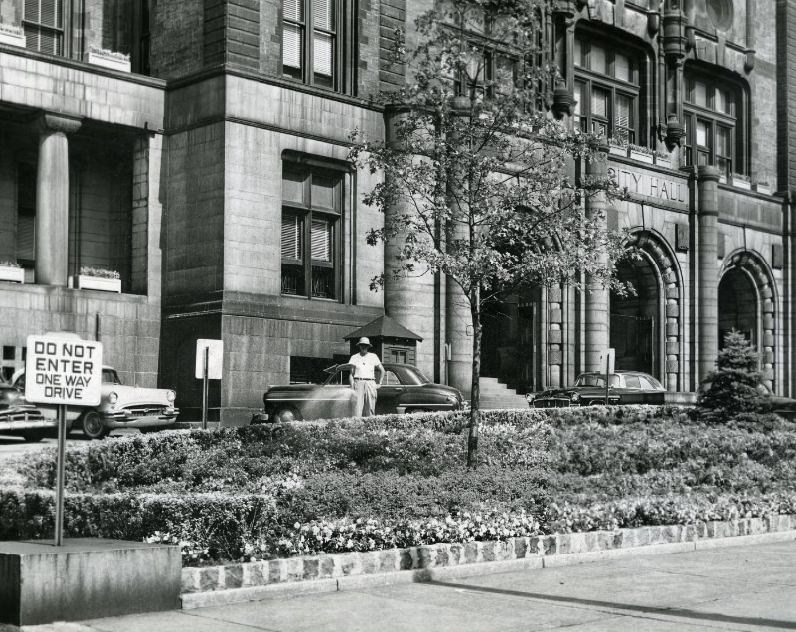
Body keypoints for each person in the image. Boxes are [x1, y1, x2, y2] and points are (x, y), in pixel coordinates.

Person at [348, 337, 384, 417]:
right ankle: (357, 427)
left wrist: (380, 383)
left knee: (371, 407)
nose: (363, 347)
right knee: (357, 408)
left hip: (370, 383)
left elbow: (382, 370)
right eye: (362, 345)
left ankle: (370, 428)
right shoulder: (354, 357)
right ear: (359, 346)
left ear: (368, 346)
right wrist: (352, 385)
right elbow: (351, 374)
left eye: (366, 345)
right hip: (358, 383)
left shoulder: (373, 356)